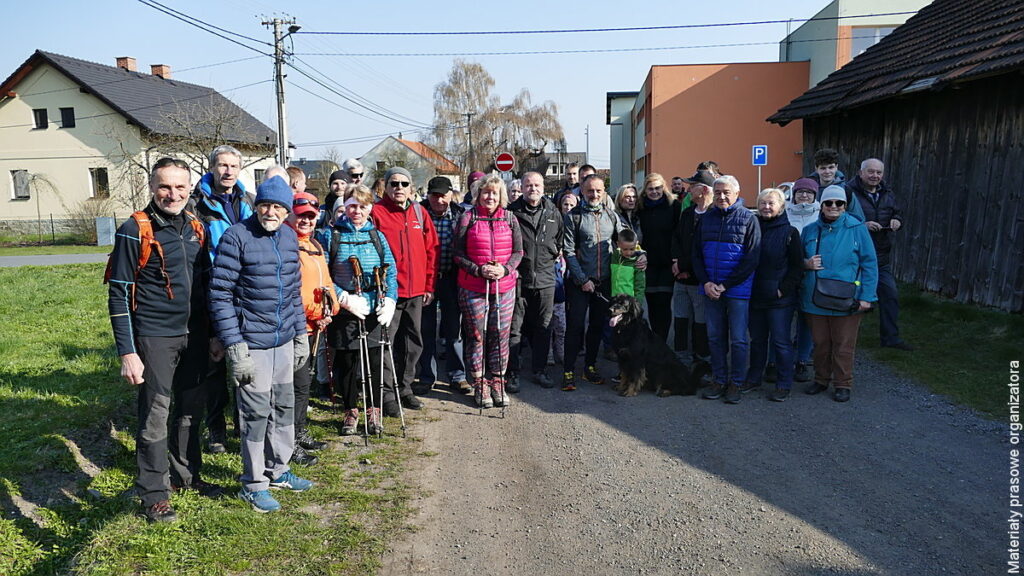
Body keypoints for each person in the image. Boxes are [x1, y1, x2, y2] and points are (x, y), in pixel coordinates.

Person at [108, 158, 221, 523]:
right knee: (156, 415)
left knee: (190, 410)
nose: (173, 194)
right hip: (155, 336)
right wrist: (128, 351)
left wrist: (215, 334)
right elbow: (119, 293)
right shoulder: (133, 229)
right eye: (165, 187)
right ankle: (154, 493)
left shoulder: (195, 226)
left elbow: (206, 286)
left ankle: (187, 476)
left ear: (190, 189)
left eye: (180, 187)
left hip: (196, 334)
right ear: (152, 188)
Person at [208, 175, 314, 513]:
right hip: (251, 343)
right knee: (255, 413)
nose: (272, 212)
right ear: (257, 206)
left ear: (287, 211)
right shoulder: (236, 237)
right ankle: (254, 484)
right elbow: (220, 294)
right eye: (266, 205)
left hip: (283, 341)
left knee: (283, 407)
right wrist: (235, 346)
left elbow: (294, 291)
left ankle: (279, 469)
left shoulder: (287, 236)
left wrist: (300, 334)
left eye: (279, 207)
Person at [189, 145, 254, 455]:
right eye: (222, 165)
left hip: (246, 293)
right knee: (215, 365)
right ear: (212, 168)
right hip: (212, 290)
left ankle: (244, 426)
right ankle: (216, 430)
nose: (228, 171)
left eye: (233, 166)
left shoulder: (250, 202)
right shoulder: (196, 204)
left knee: (245, 362)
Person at [321, 187, 398, 435]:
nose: (357, 211)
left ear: (370, 208)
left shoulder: (377, 236)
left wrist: (390, 299)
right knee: (346, 361)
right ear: (345, 207)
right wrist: (342, 297)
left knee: (375, 360)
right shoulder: (331, 236)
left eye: (363, 206)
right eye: (353, 206)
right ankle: (350, 409)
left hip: (373, 306)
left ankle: (374, 409)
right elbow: (322, 273)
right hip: (344, 309)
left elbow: (392, 270)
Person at [371, 167, 440, 416]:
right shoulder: (377, 213)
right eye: (393, 183)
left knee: (413, 343)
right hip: (388, 293)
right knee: (386, 344)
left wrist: (429, 285)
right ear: (386, 187)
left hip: (416, 291)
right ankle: (387, 395)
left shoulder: (420, 213)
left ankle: (405, 388)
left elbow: (432, 250)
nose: (398, 188)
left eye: (404, 183)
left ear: (411, 188)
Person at [801, 185, 878, 402]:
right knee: (821, 343)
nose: (833, 207)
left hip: (848, 298)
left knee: (844, 344)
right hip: (815, 297)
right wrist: (805, 264)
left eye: (839, 203)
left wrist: (867, 297)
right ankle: (821, 379)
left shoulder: (857, 228)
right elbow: (795, 260)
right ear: (821, 206)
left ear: (845, 206)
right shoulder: (809, 230)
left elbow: (870, 263)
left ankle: (843, 383)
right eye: (829, 203)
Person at [453, 176, 524, 407]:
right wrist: (478, 269)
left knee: (500, 334)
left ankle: (497, 380)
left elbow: (518, 252)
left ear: (500, 195)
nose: (490, 197)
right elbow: (458, 253)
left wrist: (504, 269)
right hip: (473, 287)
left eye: (494, 193)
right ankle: (479, 382)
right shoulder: (467, 218)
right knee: (476, 335)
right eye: (485, 192)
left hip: (503, 288)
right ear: (478, 194)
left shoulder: (510, 218)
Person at [693, 175, 761, 404]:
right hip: (711, 289)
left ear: (737, 193)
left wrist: (725, 285)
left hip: (737, 291)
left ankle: (737, 383)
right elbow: (696, 254)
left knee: (739, 339)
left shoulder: (749, 219)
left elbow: (751, 259)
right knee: (715, 337)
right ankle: (719, 379)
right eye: (718, 192)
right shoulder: (706, 219)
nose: (722, 196)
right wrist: (706, 283)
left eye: (726, 192)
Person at [561, 174, 629, 390]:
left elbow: (626, 239)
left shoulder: (612, 215)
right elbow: (568, 251)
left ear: (604, 192)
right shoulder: (573, 217)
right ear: (582, 190)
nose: (594, 194)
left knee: (597, 327)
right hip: (580, 283)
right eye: (590, 190)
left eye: (598, 191)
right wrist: (582, 279)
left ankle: (589, 366)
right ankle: (568, 370)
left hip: (604, 282)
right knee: (576, 326)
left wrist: (640, 254)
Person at [285, 192, 337, 466]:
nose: (305, 220)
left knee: (303, 385)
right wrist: (317, 313)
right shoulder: (286, 244)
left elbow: (325, 282)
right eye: (300, 215)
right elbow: (293, 291)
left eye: (310, 216)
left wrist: (331, 309)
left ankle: (299, 431)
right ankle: (289, 441)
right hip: (294, 327)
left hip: (312, 325)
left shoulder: (313, 245)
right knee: (295, 387)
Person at [741, 188, 803, 402]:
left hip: (779, 300)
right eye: (763, 203)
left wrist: (782, 290)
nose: (766, 207)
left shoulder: (790, 232)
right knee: (757, 340)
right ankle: (754, 377)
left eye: (771, 204)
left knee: (781, 342)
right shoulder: (751, 227)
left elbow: (797, 268)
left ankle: (784, 383)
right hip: (754, 295)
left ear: (781, 207)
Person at [846, 158, 911, 351]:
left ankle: (890, 338)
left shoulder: (887, 193)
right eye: (871, 172)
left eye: (879, 173)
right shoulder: (849, 192)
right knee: (850, 297)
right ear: (861, 172)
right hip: (855, 256)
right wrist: (862, 226)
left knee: (890, 295)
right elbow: (841, 218)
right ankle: (845, 339)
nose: (875, 176)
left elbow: (897, 212)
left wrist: (896, 220)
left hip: (880, 256)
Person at [507, 171, 564, 390]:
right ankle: (512, 372)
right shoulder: (511, 213)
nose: (533, 189)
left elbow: (559, 240)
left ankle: (540, 370)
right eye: (529, 185)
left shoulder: (552, 211)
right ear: (521, 187)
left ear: (543, 186)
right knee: (515, 329)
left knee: (543, 327)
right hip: (519, 280)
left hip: (546, 280)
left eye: (537, 185)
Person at [418, 176, 469, 394]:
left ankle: (457, 375)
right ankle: (426, 376)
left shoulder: (460, 215)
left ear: (451, 195)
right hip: (424, 280)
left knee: (453, 328)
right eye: (434, 195)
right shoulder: (417, 214)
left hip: (452, 278)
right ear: (428, 195)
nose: (439, 200)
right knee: (425, 329)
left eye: (443, 195)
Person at [670, 170, 715, 365]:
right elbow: (677, 238)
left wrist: (684, 266)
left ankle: (702, 359)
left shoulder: (714, 215)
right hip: (681, 277)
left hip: (700, 280)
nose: (688, 189)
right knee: (680, 319)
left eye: (692, 185)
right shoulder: (688, 212)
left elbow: (705, 248)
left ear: (703, 189)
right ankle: (682, 358)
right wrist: (675, 262)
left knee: (701, 322)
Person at [784, 177, 821, 382]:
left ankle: (802, 361)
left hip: (810, 275)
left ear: (815, 195)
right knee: (784, 320)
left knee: (806, 321)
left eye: (808, 192)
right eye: (800, 192)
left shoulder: (820, 214)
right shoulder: (785, 212)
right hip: (788, 274)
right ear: (794, 194)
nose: (804, 195)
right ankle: (779, 360)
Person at [637, 173, 681, 343]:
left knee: (664, 304)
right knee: (652, 305)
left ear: (664, 188)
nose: (654, 192)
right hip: (647, 264)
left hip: (667, 264)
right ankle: (655, 339)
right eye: (651, 189)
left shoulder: (674, 206)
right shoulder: (640, 208)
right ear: (645, 190)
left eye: (658, 188)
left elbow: (678, 234)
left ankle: (661, 341)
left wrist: (676, 258)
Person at [610, 228, 645, 301]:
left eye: (631, 249)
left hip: (630, 303)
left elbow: (640, 287)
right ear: (618, 244)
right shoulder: (614, 257)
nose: (628, 253)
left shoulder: (638, 263)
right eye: (625, 249)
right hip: (615, 301)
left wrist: (637, 304)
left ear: (636, 245)